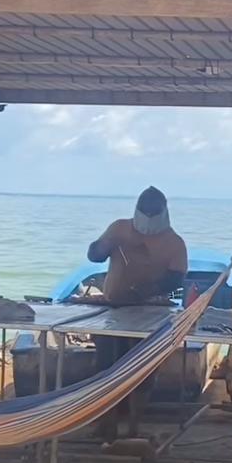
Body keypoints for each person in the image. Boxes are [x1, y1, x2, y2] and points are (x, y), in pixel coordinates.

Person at [84, 187, 188, 440]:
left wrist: (147, 289)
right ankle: (105, 423)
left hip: (150, 311)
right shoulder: (119, 229)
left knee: (141, 370)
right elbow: (94, 256)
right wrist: (103, 246)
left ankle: (133, 426)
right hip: (114, 307)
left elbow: (176, 279)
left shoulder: (174, 243)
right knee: (106, 366)